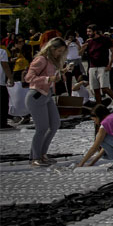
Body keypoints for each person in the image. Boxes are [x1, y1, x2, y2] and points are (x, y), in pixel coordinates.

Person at [25, 37, 67, 166]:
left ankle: (42, 154)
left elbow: (52, 78)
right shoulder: (41, 59)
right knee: (41, 128)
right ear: (52, 48)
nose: (60, 54)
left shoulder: (52, 61)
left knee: (54, 124)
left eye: (62, 51)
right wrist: (48, 79)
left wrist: (61, 73)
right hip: (36, 96)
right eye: (59, 51)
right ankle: (35, 157)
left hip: (47, 95)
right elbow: (29, 77)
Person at [83, 25, 113, 104]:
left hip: (103, 66)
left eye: (89, 31)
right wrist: (82, 48)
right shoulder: (88, 42)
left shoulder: (105, 40)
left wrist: (110, 65)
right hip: (92, 67)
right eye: (87, 31)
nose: (88, 33)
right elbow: (80, 54)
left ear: (95, 31)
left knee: (104, 87)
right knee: (95, 89)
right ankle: (99, 106)